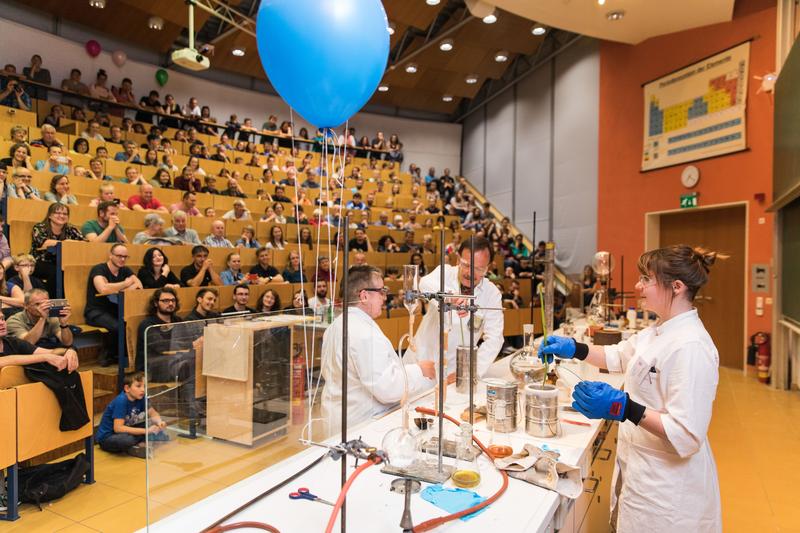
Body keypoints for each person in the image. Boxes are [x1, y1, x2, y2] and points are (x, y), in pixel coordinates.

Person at [540, 245, 724, 533]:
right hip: (640, 477)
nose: (638, 286)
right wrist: (573, 347)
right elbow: (618, 356)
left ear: (676, 287)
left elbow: (687, 435)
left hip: (669, 498)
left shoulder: (691, 346)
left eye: (646, 279)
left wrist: (624, 408)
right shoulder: (659, 331)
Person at [320, 265, 435, 432]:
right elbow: (387, 388)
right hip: (361, 426)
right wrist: (420, 371)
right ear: (364, 296)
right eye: (381, 291)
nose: (385, 297)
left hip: (341, 420)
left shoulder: (337, 326)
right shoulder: (364, 332)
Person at [406, 237, 504, 381]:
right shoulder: (445, 273)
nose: (470, 273)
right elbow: (424, 284)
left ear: (488, 268)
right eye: (466, 265)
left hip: (456, 372)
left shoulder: (491, 293)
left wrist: (469, 372)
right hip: (421, 363)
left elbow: (494, 339)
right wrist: (450, 297)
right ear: (458, 259)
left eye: (478, 269)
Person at [85, 244, 142, 366]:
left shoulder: (125, 269)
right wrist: (125, 284)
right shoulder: (99, 269)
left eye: (125, 257)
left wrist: (116, 287)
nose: (122, 259)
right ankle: (108, 354)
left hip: (117, 310)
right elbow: (103, 289)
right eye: (119, 256)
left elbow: (138, 286)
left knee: (132, 323)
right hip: (96, 311)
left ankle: (123, 356)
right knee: (118, 326)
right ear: (110, 255)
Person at [95, 372, 168, 458]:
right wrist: (146, 431)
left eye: (144, 386)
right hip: (109, 437)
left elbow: (152, 413)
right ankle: (139, 443)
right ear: (127, 388)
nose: (143, 390)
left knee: (159, 431)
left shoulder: (141, 397)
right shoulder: (121, 401)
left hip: (128, 429)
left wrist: (159, 422)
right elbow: (118, 428)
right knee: (127, 440)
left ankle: (138, 444)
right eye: (138, 386)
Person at [31, 203, 86, 297]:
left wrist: (70, 242)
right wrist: (66, 242)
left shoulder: (71, 229)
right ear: (50, 215)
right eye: (57, 213)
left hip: (62, 262)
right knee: (57, 272)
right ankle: (53, 301)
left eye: (65, 214)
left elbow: (85, 243)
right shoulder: (40, 227)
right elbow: (43, 243)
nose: (61, 216)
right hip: (40, 261)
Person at [6, 288, 73, 348]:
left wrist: (64, 324)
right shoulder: (14, 321)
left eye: (45, 304)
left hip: (46, 349)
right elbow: (27, 345)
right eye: (37, 304)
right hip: (27, 355)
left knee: (71, 349)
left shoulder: (52, 318)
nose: (43, 307)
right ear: (25, 306)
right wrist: (42, 319)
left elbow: (67, 343)